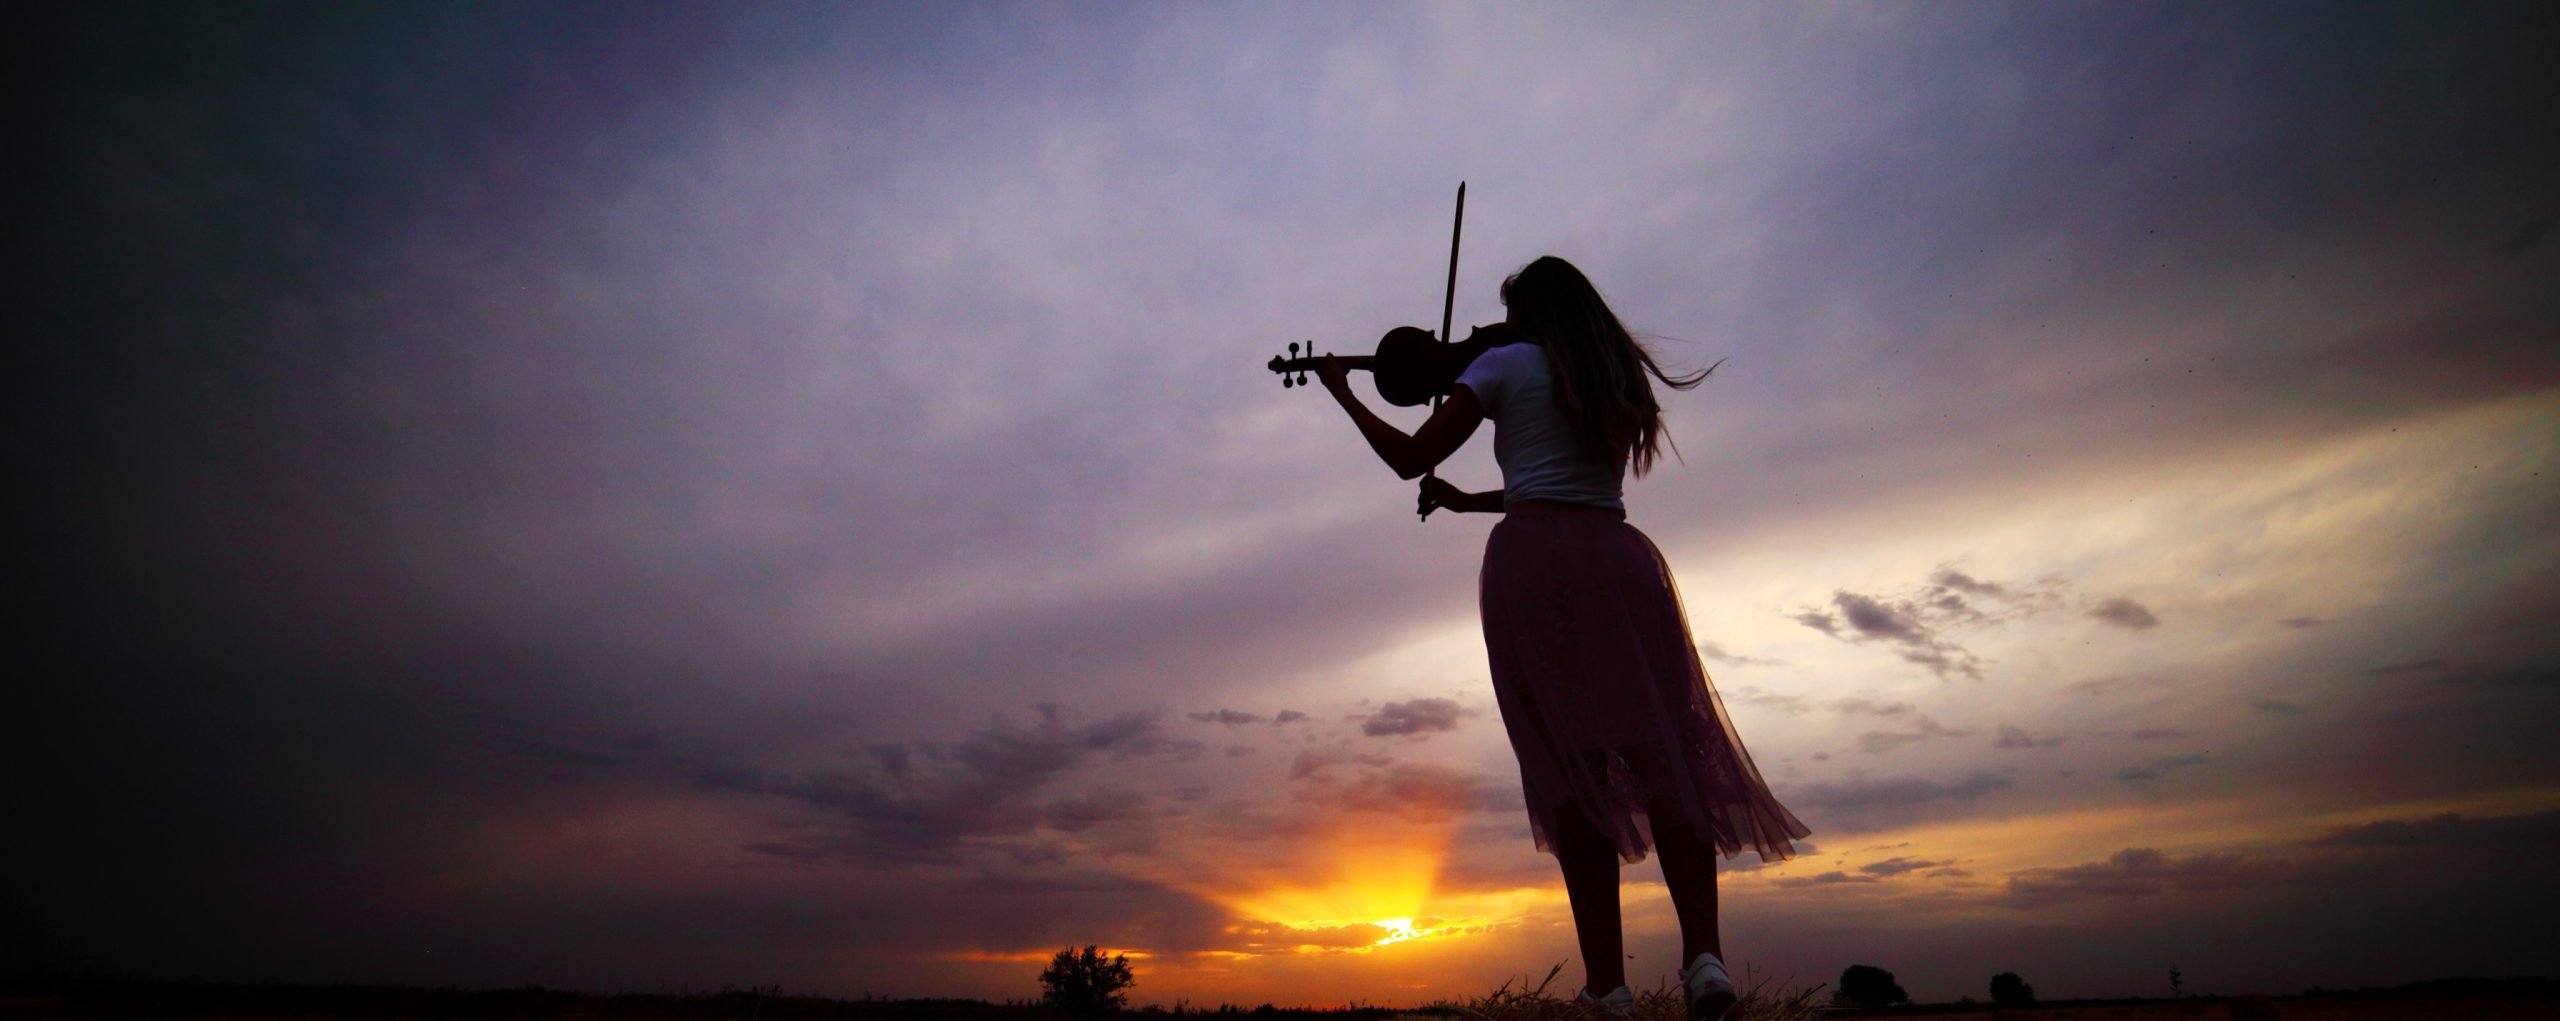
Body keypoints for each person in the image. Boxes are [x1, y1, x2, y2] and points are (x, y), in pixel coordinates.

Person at [1314, 256, 1810, 1021]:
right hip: (1619, 559)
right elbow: (1561, 482)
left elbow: (1412, 454)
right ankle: (1704, 959)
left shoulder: (1504, 362)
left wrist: (1344, 392)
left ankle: (1610, 988)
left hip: (1534, 569)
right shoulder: (1613, 378)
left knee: (1568, 770)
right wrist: (1466, 499)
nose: (1498, 328)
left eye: (1510, 314)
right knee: (1661, 753)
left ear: (1531, 313)